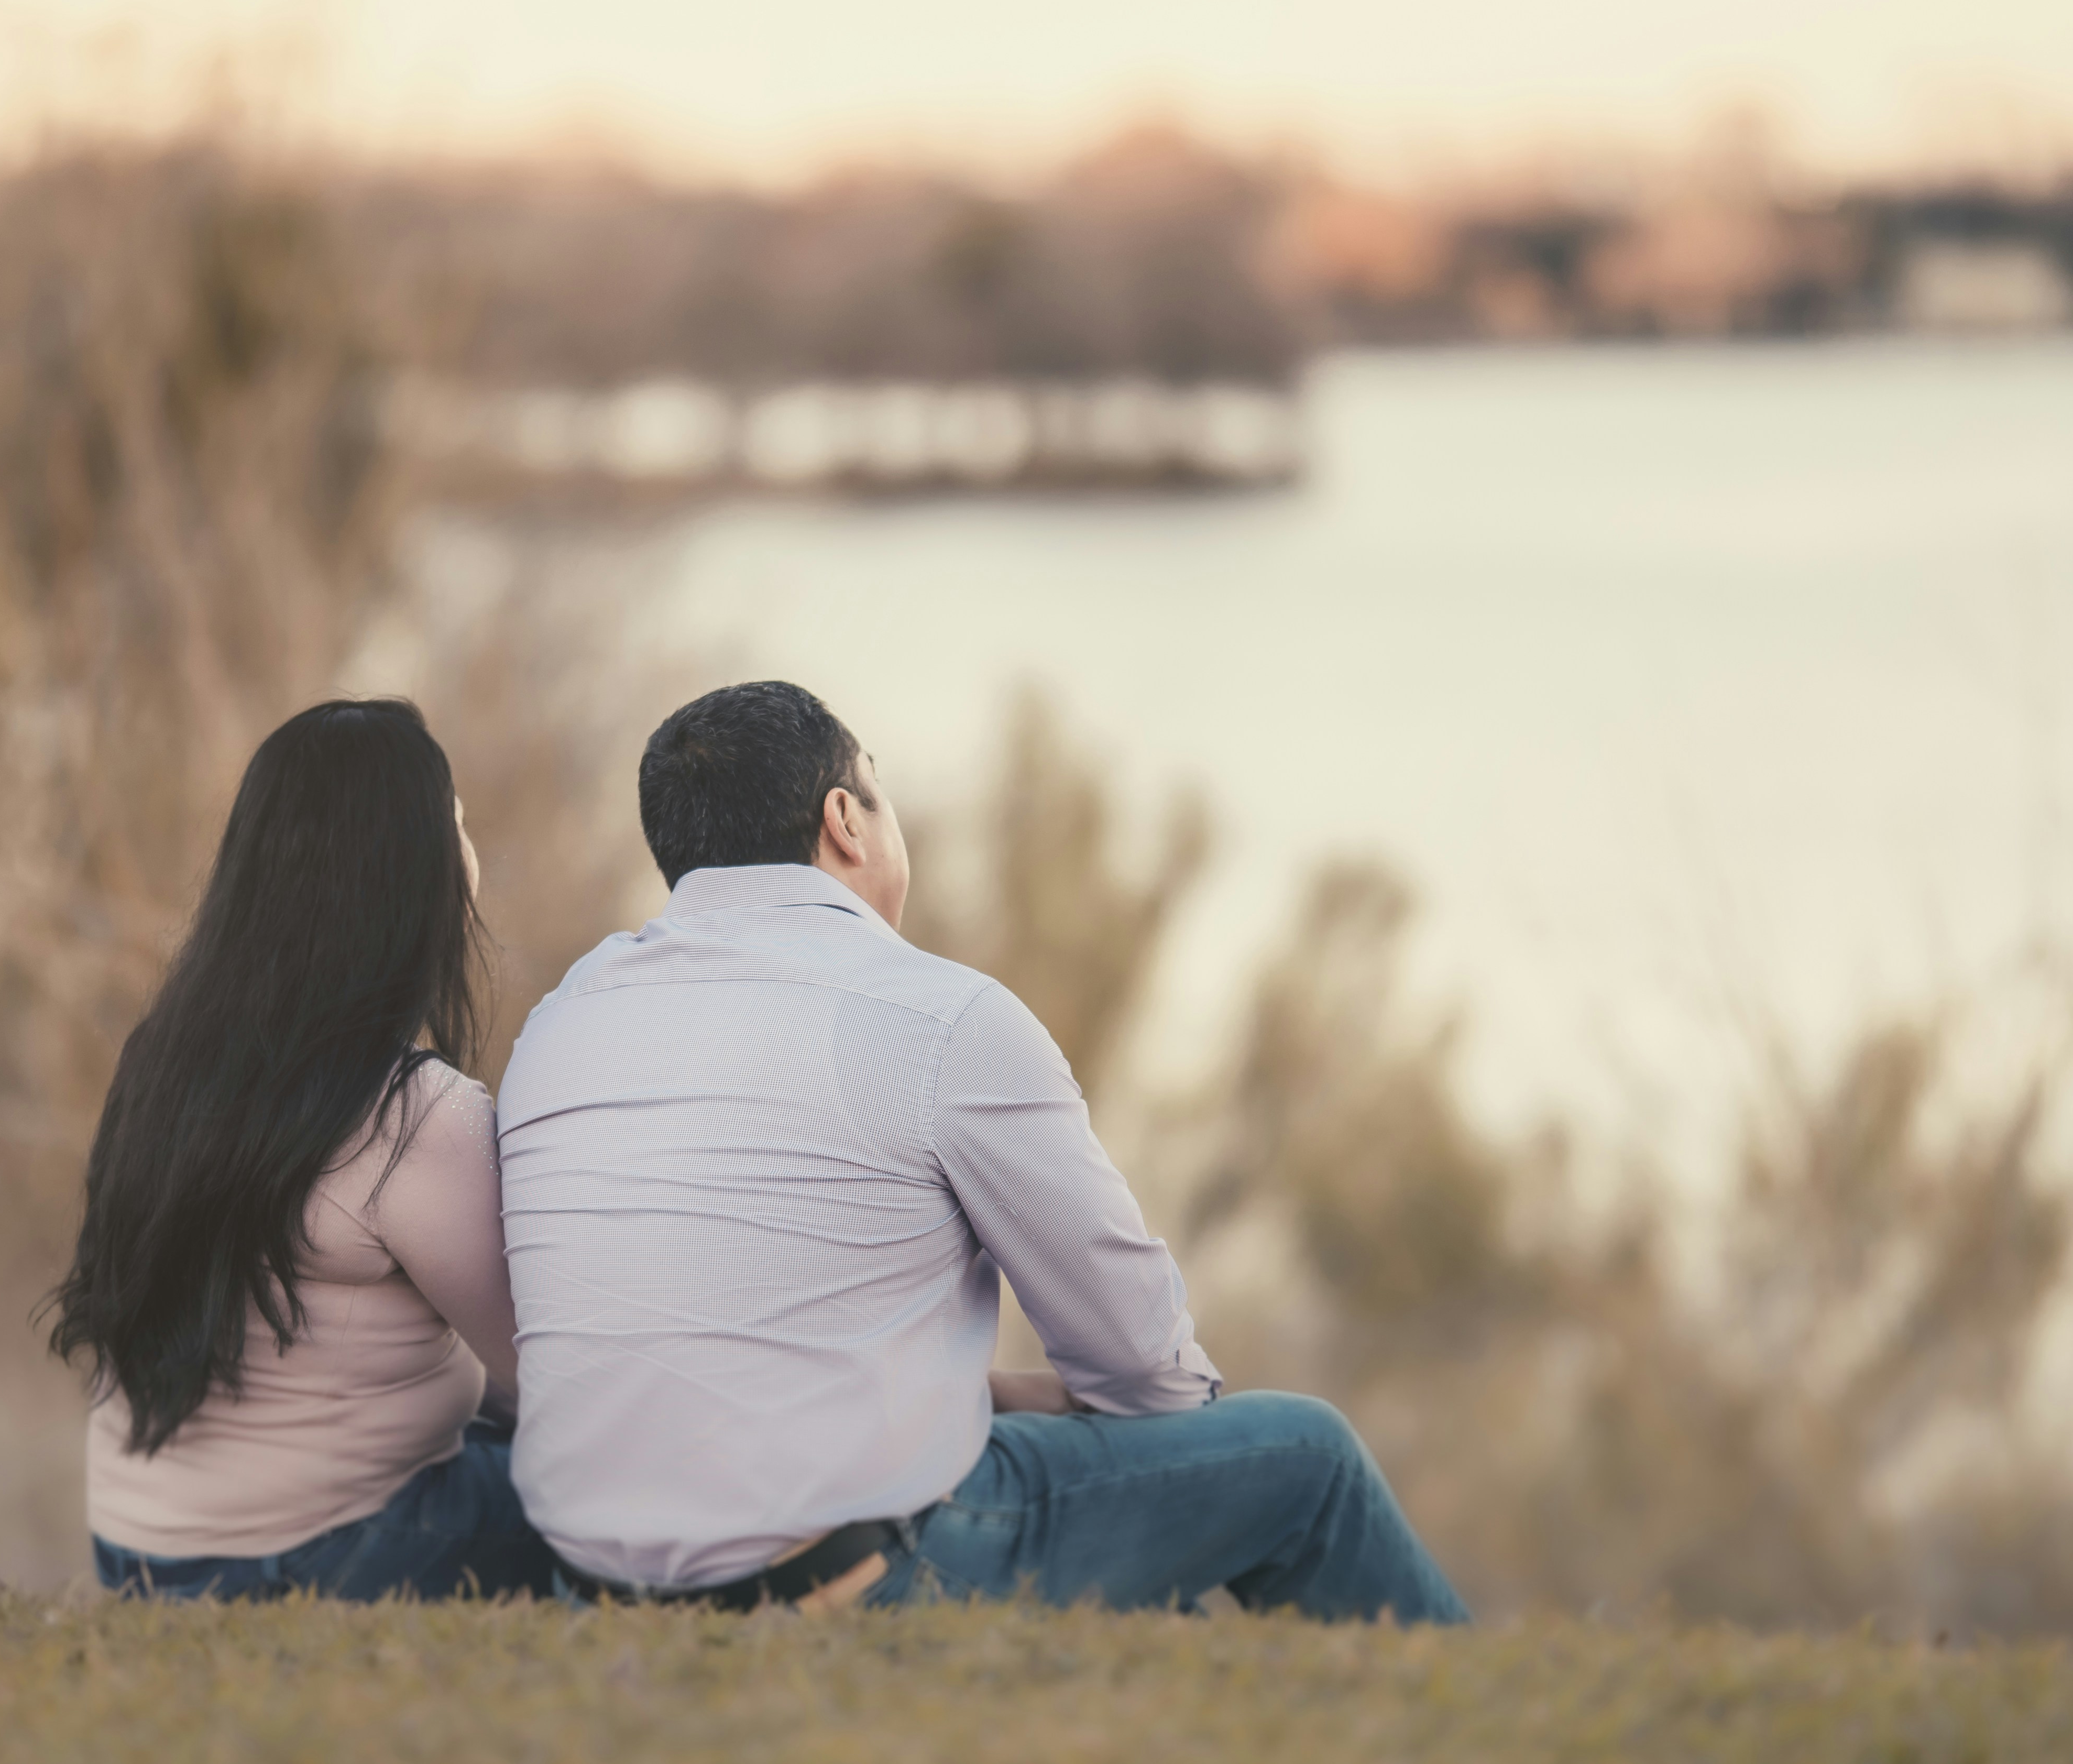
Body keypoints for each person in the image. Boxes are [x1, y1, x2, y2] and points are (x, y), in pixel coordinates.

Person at [497, 681, 1469, 1620]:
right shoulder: (939, 1019)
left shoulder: (557, 1026)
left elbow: (710, 1333)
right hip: (838, 1582)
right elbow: (1140, 1369)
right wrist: (1126, 1413)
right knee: (1308, 1461)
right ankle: (1472, 1744)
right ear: (845, 819)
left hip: (590, 1587)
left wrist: (985, 1394)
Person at [43, 699, 558, 1603]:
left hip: (137, 1553)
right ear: (421, 873)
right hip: (315, 1559)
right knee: (630, 1482)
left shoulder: (163, 1064)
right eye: (457, 823)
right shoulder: (415, 1114)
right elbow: (540, 1377)